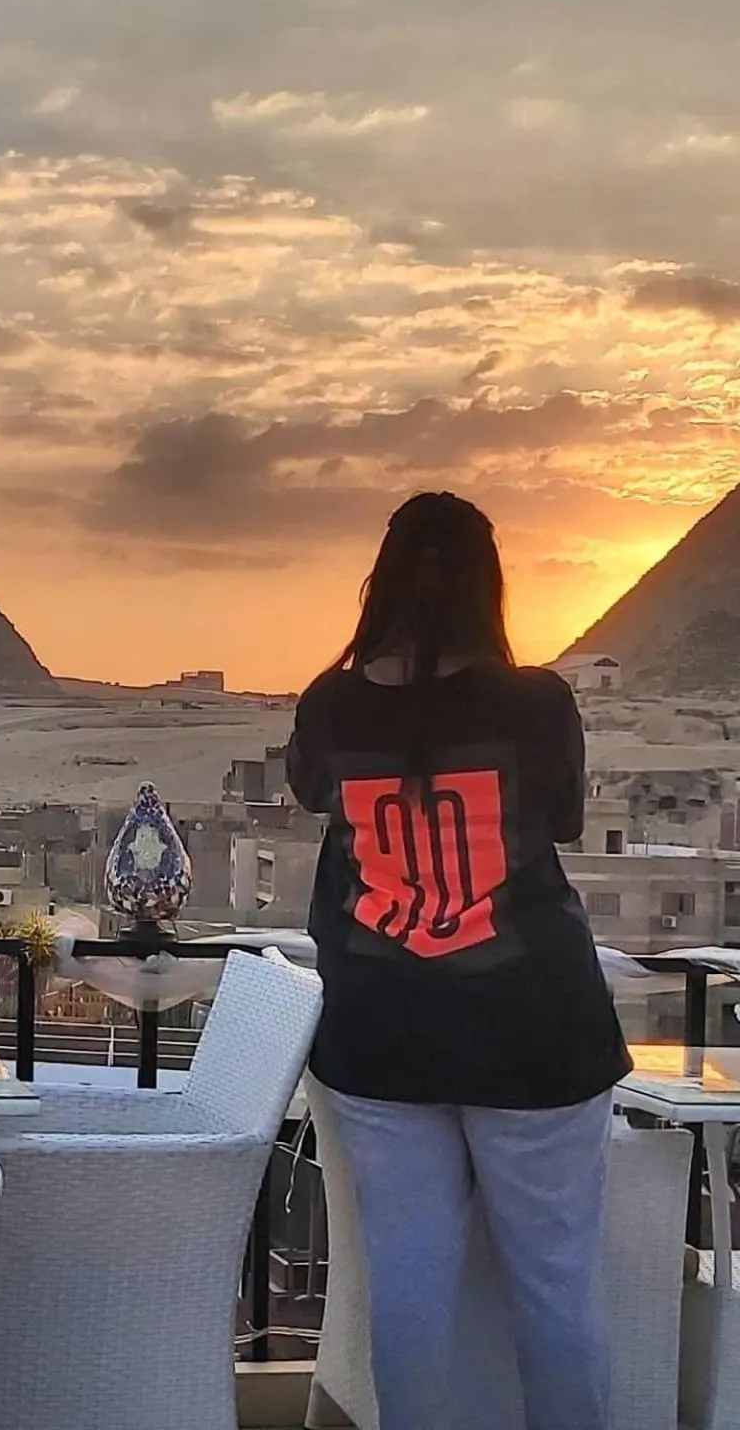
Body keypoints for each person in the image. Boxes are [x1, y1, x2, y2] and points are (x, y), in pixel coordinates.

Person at [286, 491, 632, 1430]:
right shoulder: (536, 705)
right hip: (536, 1030)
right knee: (556, 1291)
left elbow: (313, 790)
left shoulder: (331, 705)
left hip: (382, 1031)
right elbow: (562, 817)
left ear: (381, 582)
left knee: (407, 1289)